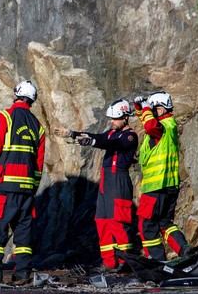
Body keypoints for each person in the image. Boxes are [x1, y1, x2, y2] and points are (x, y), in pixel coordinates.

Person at [56, 99, 139, 271]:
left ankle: (125, 262)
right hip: (106, 182)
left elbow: (113, 144)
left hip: (119, 181)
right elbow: (97, 137)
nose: (112, 121)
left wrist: (93, 143)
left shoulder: (130, 136)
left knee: (118, 222)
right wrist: (72, 133)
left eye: (115, 119)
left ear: (125, 117)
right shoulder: (111, 133)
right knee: (101, 221)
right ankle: (109, 262)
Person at [0, 80, 45, 284]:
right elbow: (38, 163)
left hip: (4, 186)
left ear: (16, 95)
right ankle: (22, 273)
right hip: (26, 189)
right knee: (23, 233)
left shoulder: (5, 116)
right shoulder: (38, 126)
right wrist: (33, 187)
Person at [133, 91, 192, 260]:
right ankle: (184, 250)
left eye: (153, 109)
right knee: (165, 223)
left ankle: (156, 261)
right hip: (169, 186)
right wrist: (140, 107)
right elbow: (147, 120)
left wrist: (145, 107)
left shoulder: (160, 127)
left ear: (160, 109)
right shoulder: (168, 125)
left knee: (147, 225)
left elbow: (150, 125)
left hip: (155, 187)